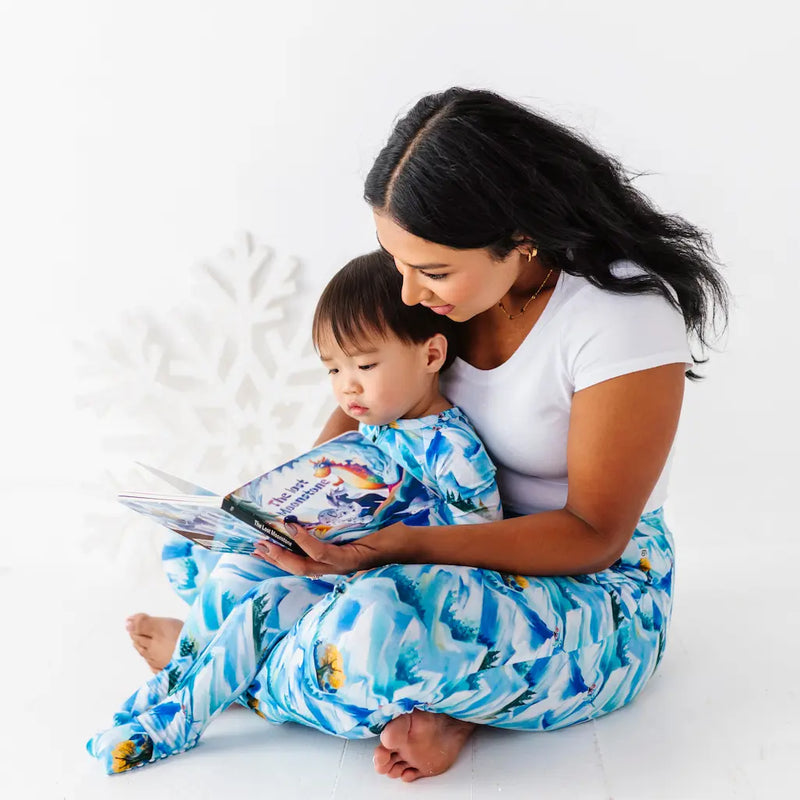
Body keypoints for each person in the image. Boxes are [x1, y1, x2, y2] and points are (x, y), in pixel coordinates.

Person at [119, 87, 729, 783]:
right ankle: (439, 696)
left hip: (587, 586)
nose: (408, 293)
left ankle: (217, 665)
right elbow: (369, 404)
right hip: (430, 538)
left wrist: (395, 550)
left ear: (521, 237)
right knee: (216, 558)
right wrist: (296, 508)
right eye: (397, 261)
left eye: (432, 272)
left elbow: (594, 534)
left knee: (372, 632)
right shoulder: (439, 289)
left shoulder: (622, 317)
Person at [87, 251, 503, 774]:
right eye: (334, 368)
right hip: (336, 568)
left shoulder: (453, 450)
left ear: (431, 354)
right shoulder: (378, 423)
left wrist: (378, 550)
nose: (347, 385)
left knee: (265, 605)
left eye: (365, 366)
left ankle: (184, 712)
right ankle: (172, 689)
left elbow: (479, 547)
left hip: (387, 592)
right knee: (235, 565)